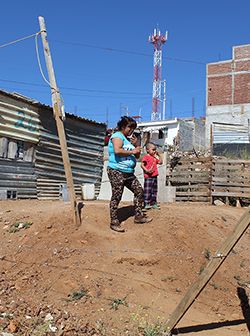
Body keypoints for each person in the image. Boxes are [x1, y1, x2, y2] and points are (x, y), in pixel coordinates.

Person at [107, 116, 152, 232]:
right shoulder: (117, 136)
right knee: (117, 195)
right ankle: (114, 221)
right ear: (123, 126)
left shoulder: (128, 140)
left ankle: (138, 216)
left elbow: (136, 156)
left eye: (133, 128)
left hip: (128, 173)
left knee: (139, 191)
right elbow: (117, 150)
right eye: (129, 128)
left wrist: (136, 146)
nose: (131, 130)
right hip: (117, 171)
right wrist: (132, 150)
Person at [141, 142, 163, 210]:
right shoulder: (146, 157)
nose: (154, 151)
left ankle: (153, 203)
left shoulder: (154, 158)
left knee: (154, 190)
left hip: (154, 176)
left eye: (155, 150)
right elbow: (142, 165)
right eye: (153, 149)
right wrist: (146, 170)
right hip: (148, 176)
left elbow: (160, 162)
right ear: (147, 150)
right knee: (147, 190)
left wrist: (159, 155)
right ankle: (146, 203)